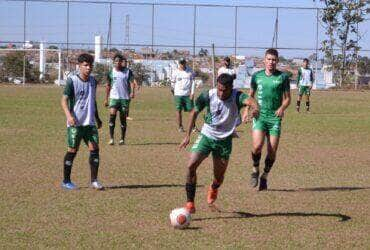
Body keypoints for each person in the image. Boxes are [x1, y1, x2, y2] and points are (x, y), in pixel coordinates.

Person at [179, 74, 258, 213]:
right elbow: (194, 113)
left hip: (224, 140)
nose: (221, 93)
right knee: (191, 165)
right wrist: (187, 136)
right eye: (219, 89)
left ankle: (214, 187)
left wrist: (255, 108)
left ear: (231, 88)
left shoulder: (237, 96)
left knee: (219, 177)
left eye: (224, 90)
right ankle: (190, 203)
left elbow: (251, 100)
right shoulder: (208, 95)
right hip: (207, 135)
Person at [249, 48, 291, 191]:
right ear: (264, 60)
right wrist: (246, 111)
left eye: (274, 60)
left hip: (275, 119)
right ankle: (255, 170)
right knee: (256, 147)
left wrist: (282, 108)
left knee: (272, 151)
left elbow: (288, 99)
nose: (271, 62)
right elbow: (250, 96)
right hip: (260, 116)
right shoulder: (256, 76)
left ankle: (265, 176)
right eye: (269, 59)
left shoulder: (283, 77)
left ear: (277, 61)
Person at [60, 53, 103, 190]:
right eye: (85, 65)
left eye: (90, 65)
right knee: (72, 150)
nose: (88, 68)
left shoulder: (93, 81)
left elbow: (93, 101)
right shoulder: (72, 81)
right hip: (75, 123)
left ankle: (94, 181)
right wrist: (69, 116)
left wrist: (97, 118)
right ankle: (66, 181)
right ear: (79, 66)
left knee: (95, 149)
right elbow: (63, 100)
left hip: (89, 123)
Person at [104, 54, 135, 145]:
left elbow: (132, 82)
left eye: (119, 61)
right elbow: (108, 86)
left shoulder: (127, 72)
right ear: (113, 62)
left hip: (124, 98)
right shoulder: (111, 72)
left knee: (122, 118)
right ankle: (111, 138)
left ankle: (122, 139)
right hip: (114, 98)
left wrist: (132, 92)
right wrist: (106, 99)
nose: (118, 63)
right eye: (116, 61)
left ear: (122, 62)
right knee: (112, 115)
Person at [171, 58, 195, 132]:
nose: (182, 64)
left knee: (191, 111)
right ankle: (180, 127)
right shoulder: (175, 72)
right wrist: (173, 92)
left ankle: (193, 126)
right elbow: (172, 83)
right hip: (178, 94)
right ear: (179, 63)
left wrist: (192, 93)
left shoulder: (190, 71)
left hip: (187, 94)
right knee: (178, 110)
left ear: (185, 63)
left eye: (183, 63)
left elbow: (193, 82)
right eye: (181, 63)